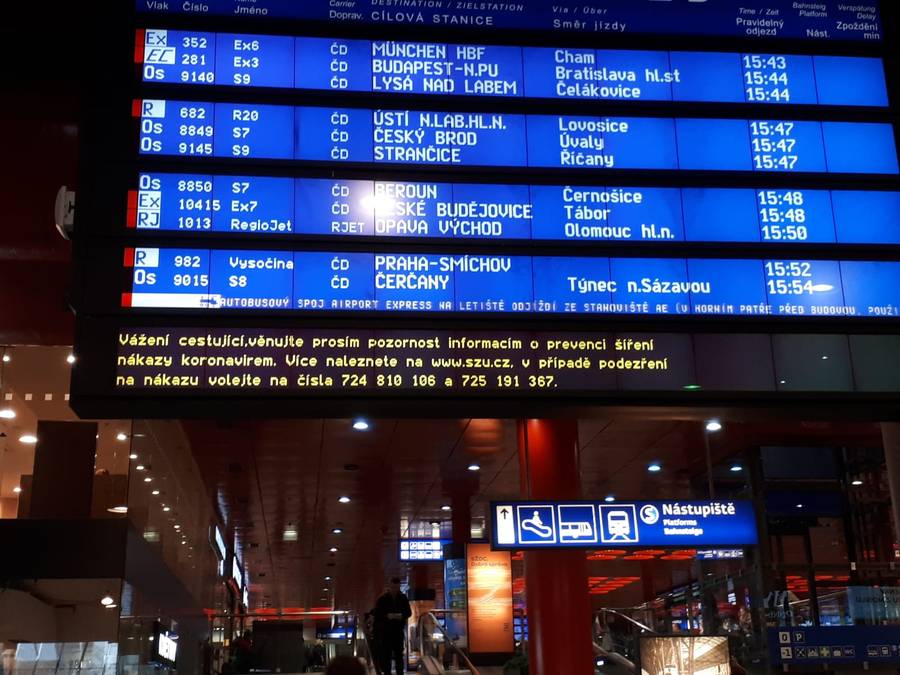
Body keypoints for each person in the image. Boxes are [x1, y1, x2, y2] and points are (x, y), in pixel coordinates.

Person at [373, 577, 412, 675]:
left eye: (397, 587)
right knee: (387, 655)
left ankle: (399, 673)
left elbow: (408, 612)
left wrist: (401, 616)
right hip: (386, 631)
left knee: (398, 655)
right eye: (393, 587)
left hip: (398, 631)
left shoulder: (403, 598)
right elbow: (377, 614)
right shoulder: (383, 599)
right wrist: (387, 616)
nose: (395, 590)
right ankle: (388, 673)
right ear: (389, 587)